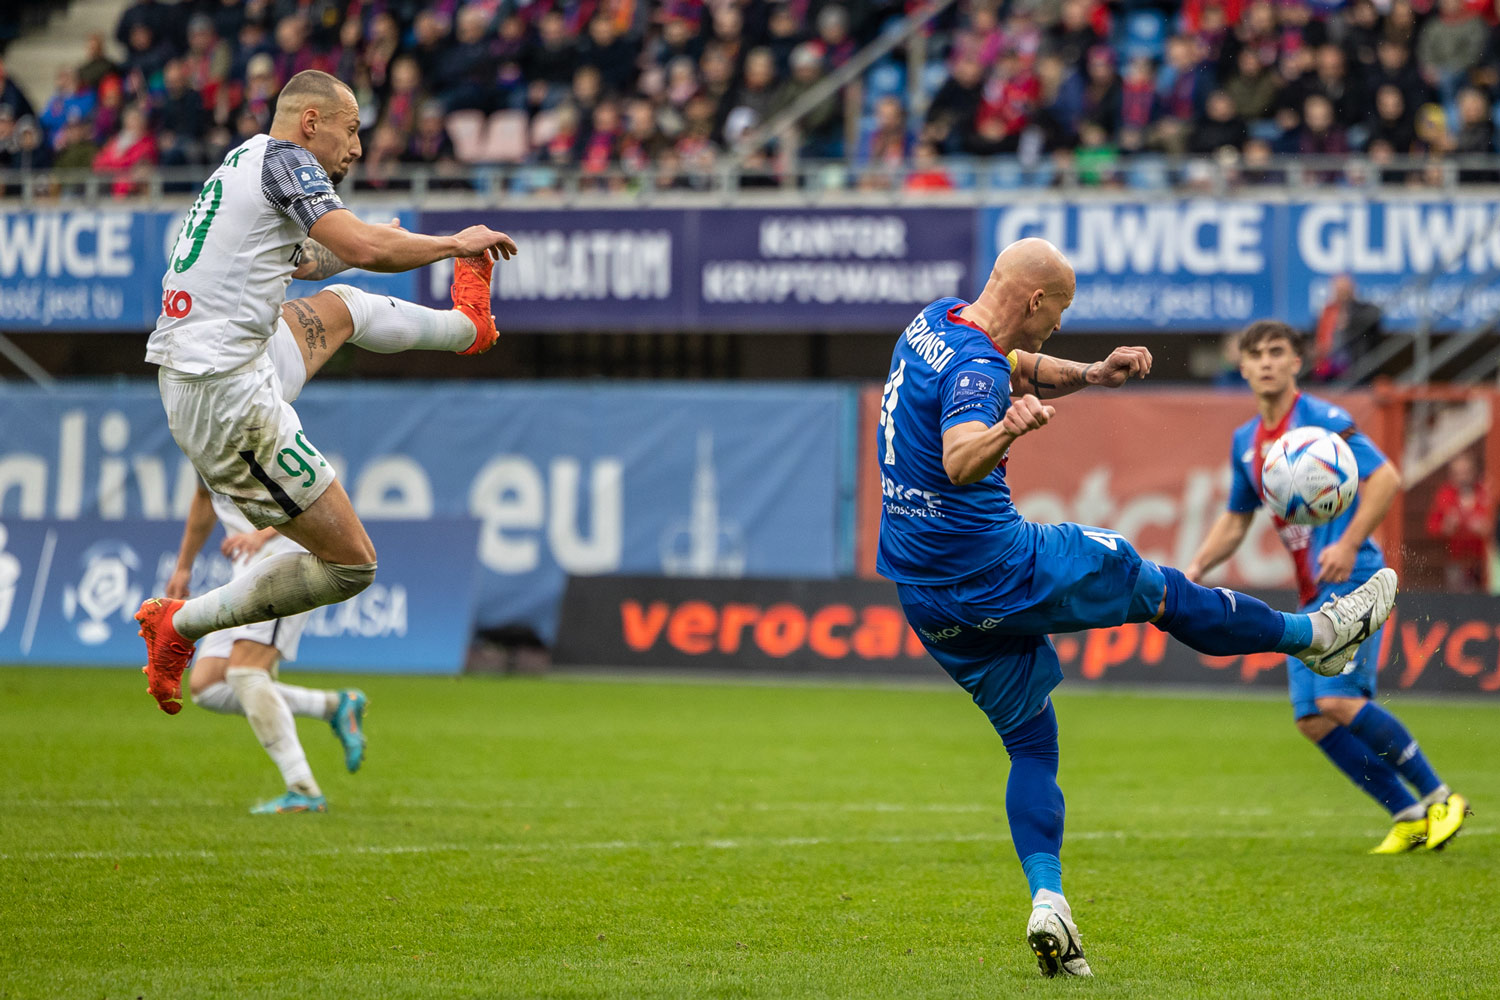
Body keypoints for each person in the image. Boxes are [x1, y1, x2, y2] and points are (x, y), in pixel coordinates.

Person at [878, 239, 1399, 979]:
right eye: (1061, 311)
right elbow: (964, 455)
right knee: (1153, 586)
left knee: (1032, 747)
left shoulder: (938, 323)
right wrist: (1010, 428)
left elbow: (1018, 366)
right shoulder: (977, 366)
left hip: (925, 593)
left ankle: (1049, 900)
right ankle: (1313, 634)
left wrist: (1090, 375)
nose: (1059, 326)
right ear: (1034, 302)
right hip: (998, 566)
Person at [135, 69, 518, 717]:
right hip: (226, 395)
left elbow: (310, 262)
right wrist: (455, 243)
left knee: (339, 306)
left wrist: (380, 240)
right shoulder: (286, 159)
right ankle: (180, 625)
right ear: (311, 122)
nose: (358, 147)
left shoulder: (248, 160)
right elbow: (362, 244)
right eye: (351, 129)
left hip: (232, 359)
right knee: (352, 565)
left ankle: (467, 328)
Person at [1186, 320, 1468, 856]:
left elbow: (1384, 478)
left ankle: (1440, 797)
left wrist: (1347, 542)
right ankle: (1407, 815)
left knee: (1337, 701)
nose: (1266, 362)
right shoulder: (1246, 441)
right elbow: (1236, 519)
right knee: (1312, 719)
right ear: (1241, 367)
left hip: (1354, 577)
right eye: (1256, 355)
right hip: (1313, 594)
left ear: (1297, 362)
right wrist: (1197, 566)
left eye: (1277, 352)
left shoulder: (1323, 421)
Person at [169, 478, 366, 814]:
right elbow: (204, 497)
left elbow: (308, 493)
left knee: (246, 672)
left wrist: (260, 534)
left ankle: (302, 788)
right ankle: (334, 706)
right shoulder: (200, 438)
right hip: (244, 569)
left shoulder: (256, 429)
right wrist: (183, 566)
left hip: (283, 560)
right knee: (208, 685)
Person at [1426, 452, 1491, 593]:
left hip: (1482, 561)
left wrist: (1485, 527)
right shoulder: (1444, 495)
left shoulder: (1485, 493)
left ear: (1474, 472)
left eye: (1466, 471)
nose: (1462, 477)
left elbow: (1491, 525)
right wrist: (1446, 527)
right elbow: (1432, 526)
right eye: (1458, 473)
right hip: (1456, 560)